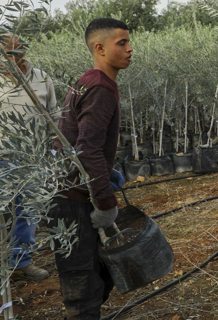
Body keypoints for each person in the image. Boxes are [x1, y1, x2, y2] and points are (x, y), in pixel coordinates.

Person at [51, 18, 132, 319]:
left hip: (72, 190)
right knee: (83, 285)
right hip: (71, 200)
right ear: (100, 47)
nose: (129, 48)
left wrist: (105, 176)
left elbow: (73, 138)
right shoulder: (100, 88)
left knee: (97, 276)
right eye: (121, 43)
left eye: (128, 41)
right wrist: (106, 203)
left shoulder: (89, 79)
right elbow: (87, 149)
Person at [0, 34, 57, 281]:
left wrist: (55, 152)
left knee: (29, 211)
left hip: (33, 158)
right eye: (5, 53)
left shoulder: (41, 78)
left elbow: (54, 116)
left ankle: (21, 261)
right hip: (2, 156)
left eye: (15, 52)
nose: (10, 58)